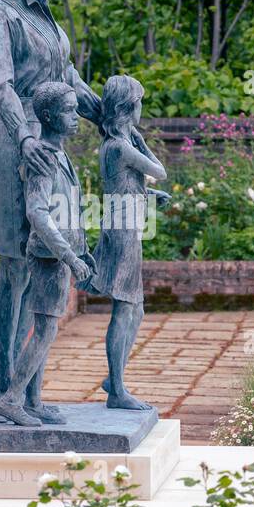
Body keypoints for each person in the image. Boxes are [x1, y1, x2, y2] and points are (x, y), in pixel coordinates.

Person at [0, 82, 93, 427]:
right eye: (68, 110)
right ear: (47, 116)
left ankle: (32, 400)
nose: (76, 116)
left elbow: (70, 210)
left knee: (46, 328)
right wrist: (69, 256)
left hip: (59, 255)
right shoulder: (43, 158)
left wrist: (83, 250)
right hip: (48, 257)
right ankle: (11, 398)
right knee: (46, 330)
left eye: (76, 108)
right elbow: (37, 212)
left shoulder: (61, 155)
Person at [89, 75, 168, 410]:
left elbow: (123, 187)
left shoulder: (114, 146)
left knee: (136, 308)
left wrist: (148, 194)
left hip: (124, 227)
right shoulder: (120, 147)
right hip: (123, 235)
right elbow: (159, 169)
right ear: (128, 107)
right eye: (139, 103)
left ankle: (115, 376)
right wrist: (140, 139)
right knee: (125, 307)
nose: (142, 109)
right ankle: (117, 390)